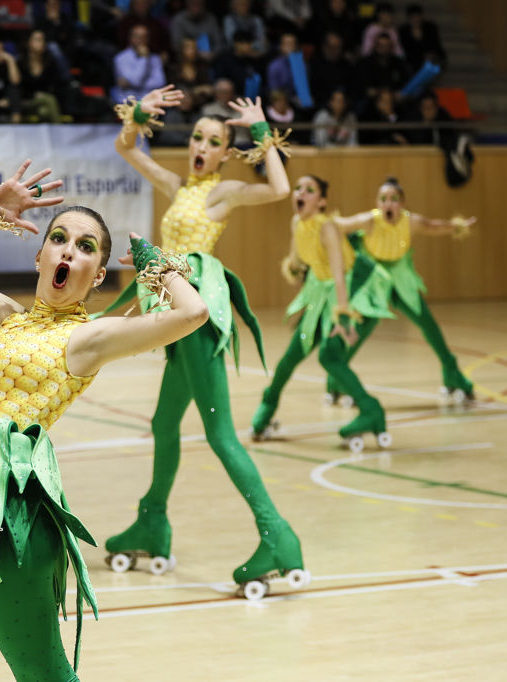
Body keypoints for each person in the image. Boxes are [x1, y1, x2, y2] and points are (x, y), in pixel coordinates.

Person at [0, 158, 208, 680]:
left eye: (86, 248)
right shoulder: (3, 316)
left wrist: (157, 265)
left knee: (44, 673)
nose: (70, 250)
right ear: (41, 254)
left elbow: (192, 314)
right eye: (60, 239)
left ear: (98, 276)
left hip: (12, 518)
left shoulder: (88, 338)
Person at [107, 87, 306, 590]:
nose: (201, 146)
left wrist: (261, 133)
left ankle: (277, 535)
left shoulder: (224, 192)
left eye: (214, 141)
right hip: (175, 318)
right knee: (163, 422)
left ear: (224, 152)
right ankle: (152, 522)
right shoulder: (179, 187)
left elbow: (280, 188)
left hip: (197, 313)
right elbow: (127, 148)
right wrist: (136, 115)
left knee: (220, 436)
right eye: (197, 136)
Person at [250, 175, 392, 450]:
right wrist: (292, 267)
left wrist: (342, 317)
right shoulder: (296, 222)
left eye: (310, 190)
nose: (301, 193)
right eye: (298, 188)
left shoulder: (327, 228)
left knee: (330, 356)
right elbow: (296, 260)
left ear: (321, 201)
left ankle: (371, 410)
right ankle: (267, 406)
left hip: (353, 289)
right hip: (319, 289)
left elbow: (339, 276)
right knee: (292, 355)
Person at [324, 177, 477, 403]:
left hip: (400, 276)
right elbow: (339, 225)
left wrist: (457, 226)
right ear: (377, 203)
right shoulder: (370, 220)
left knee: (427, 323)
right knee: (362, 328)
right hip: (373, 279)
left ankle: (452, 374)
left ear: (402, 204)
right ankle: (337, 380)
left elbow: (433, 226)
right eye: (383, 199)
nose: (388, 204)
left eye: (394, 199)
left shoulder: (410, 221)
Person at [111, 24, 166, 105]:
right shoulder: (121, 58)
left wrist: (131, 84)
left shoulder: (155, 59)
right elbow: (136, 81)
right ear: (131, 38)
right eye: (138, 37)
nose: (141, 40)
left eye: (144, 37)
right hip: (127, 102)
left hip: (150, 102)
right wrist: (143, 58)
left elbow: (160, 82)